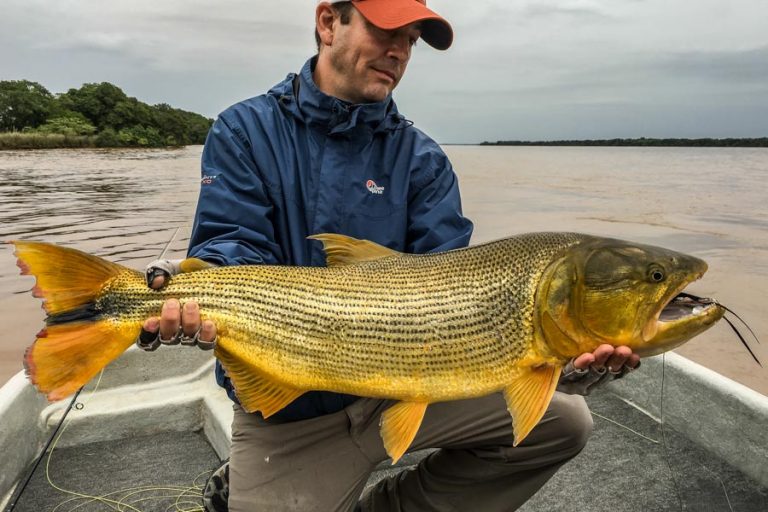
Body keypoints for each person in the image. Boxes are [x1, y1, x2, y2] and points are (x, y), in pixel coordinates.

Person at [137, 1, 640, 511]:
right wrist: (196, 293)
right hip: (290, 413)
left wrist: (565, 357)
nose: (399, 51)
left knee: (564, 421)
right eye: (386, 30)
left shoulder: (422, 160)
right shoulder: (246, 130)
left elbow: (453, 292)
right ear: (329, 22)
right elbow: (234, 246)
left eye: (412, 40)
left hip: (399, 392)